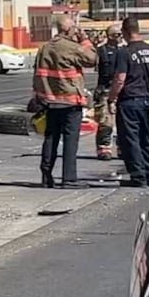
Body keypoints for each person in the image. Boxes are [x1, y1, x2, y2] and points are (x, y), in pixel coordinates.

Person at [32, 15, 98, 188]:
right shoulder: (72, 48)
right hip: (70, 102)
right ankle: (69, 178)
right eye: (74, 27)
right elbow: (92, 59)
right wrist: (84, 40)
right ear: (68, 29)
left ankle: (46, 176)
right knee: (70, 140)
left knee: (50, 138)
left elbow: (38, 74)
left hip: (50, 101)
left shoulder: (45, 48)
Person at [108, 17, 149, 187]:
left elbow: (120, 79)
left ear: (125, 32)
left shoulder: (125, 52)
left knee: (131, 139)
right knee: (148, 138)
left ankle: (138, 176)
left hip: (130, 100)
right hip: (148, 99)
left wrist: (112, 98)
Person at [93, 25, 124, 160]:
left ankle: (122, 148)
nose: (120, 37)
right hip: (105, 90)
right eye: (117, 34)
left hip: (122, 90)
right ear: (110, 36)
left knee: (123, 122)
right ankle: (104, 149)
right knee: (106, 122)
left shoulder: (124, 51)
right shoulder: (101, 51)